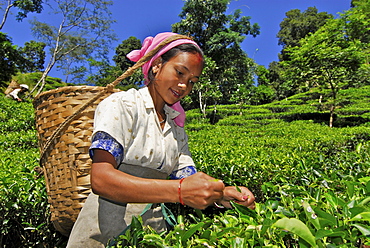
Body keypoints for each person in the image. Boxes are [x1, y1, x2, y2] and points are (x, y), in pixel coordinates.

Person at [67, 32, 255, 247]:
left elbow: (186, 178)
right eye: (179, 72)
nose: (184, 86)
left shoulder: (176, 126)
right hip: (102, 231)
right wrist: (178, 192)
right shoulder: (122, 105)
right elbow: (102, 180)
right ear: (156, 65)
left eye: (192, 81)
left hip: (152, 234)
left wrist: (223, 193)